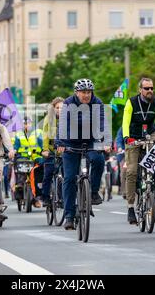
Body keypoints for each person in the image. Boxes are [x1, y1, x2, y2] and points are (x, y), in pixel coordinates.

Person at [56, 78, 112, 230]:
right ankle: (69, 216)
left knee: (99, 160)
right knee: (69, 178)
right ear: (76, 92)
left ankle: (93, 192)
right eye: (83, 92)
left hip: (91, 141)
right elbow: (62, 124)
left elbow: (103, 122)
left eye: (89, 92)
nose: (86, 95)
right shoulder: (68, 103)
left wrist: (107, 141)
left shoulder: (97, 103)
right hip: (70, 143)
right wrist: (60, 143)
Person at [122, 77, 155, 225]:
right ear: (140, 90)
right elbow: (125, 121)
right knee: (132, 171)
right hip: (133, 137)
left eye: (152, 88)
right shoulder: (131, 102)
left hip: (151, 136)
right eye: (147, 88)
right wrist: (126, 137)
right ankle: (130, 208)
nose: (150, 91)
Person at [13, 116, 43, 208]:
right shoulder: (19, 134)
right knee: (20, 179)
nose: (26, 125)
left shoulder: (38, 133)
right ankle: (19, 195)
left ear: (31, 123)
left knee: (37, 179)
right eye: (25, 124)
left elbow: (42, 145)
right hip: (22, 159)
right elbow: (15, 146)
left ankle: (36, 199)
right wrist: (13, 151)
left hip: (35, 158)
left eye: (28, 123)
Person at [41, 97, 64, 207]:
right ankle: (45, 197)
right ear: (53, 108)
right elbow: (45, 135)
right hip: (51, 150)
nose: (60, 110)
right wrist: (45, 150)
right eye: (57, 107)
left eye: (62, 107)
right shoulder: (49, 118)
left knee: (66, 175)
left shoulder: (69, 118)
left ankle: (63, 197)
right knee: (48, 173)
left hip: (65, 150)